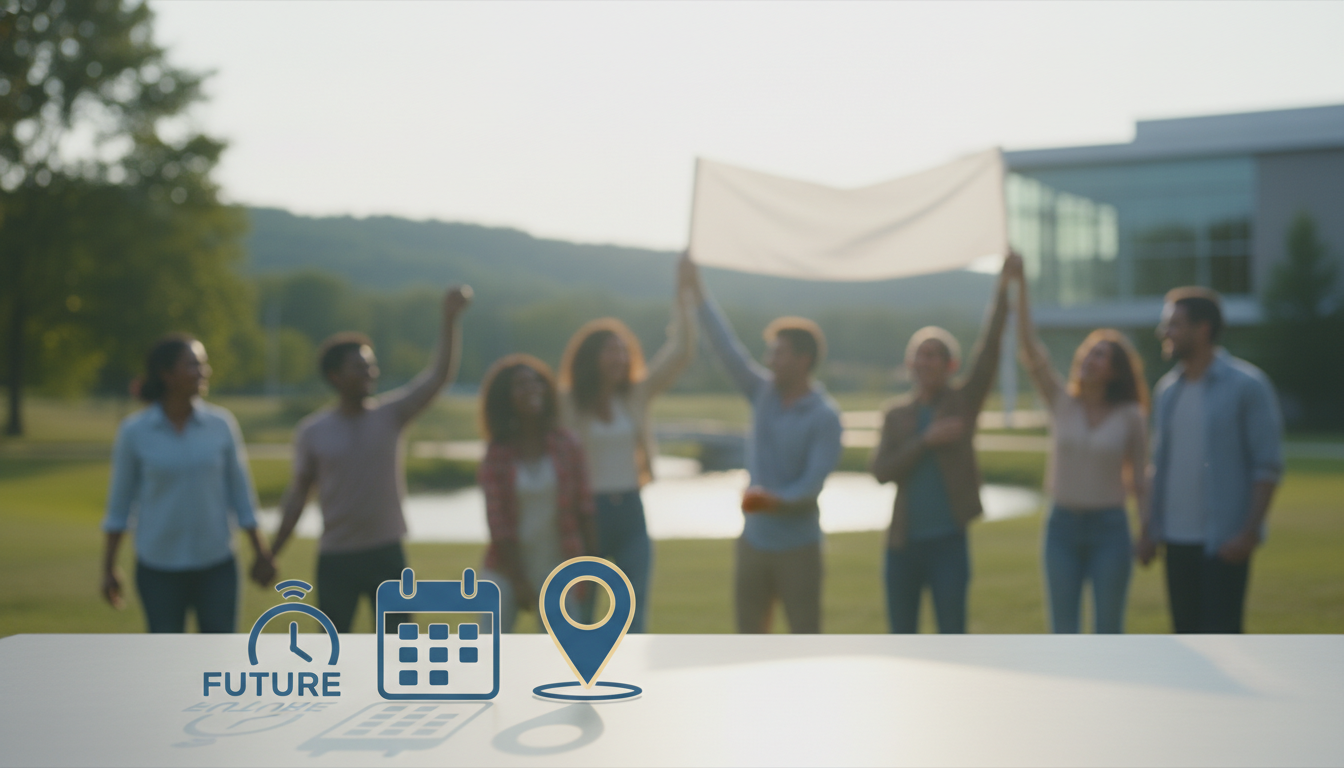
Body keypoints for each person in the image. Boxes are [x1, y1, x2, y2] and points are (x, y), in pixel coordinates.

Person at [269, 286, 471, 634]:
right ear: (335, 376)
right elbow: (298, 495)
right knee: (333, 650)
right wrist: (272, 553)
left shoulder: (391, 415)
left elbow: (438, 377)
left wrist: (449, 320)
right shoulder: (312, 432)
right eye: (359, 367)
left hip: (387, 554)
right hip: (337, 558)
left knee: (397, 649)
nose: (370, 373)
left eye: (371, 366)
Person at [683, 257, 843, 634]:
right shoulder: (763, 393)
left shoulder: (825, 416)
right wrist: (696, 291)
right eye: (769, 353)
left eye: (778, 353)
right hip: (753, 542)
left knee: (804, 638)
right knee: (749, 642)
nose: (769, 361)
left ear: (803, 360)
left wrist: (772, 501)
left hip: (799, 547)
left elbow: (812, 485)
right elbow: (726, 349)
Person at [869, 254, 1016, 634]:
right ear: (910, 364)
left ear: (950, 365)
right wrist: (925, 441)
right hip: (902, 546)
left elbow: (990, 347)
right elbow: (881, 472)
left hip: (949, 543)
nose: (925, 361)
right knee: (903, 640)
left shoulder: (963, 402)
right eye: (920, 355)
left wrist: (1004, 287)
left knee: (953, 638)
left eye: (934, 355)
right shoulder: (895, 414)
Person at [556, 255, 698, 633]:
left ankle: (631, 672)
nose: (619, 357)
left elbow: (680, 353)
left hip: (631, 510)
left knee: (634, 616)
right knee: (581, 615)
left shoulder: (635, 395)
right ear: (591, 358)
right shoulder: (567, 402)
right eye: (610, 350)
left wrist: (684, 294)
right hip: (587, 514)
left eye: (623, 350)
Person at [101, 334, 275, 633]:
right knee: (168, 657)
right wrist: (109, 568)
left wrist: (261, 552)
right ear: (166, 374)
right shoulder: (134, 431)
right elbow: (119, 507)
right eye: (194, 364)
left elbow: (241, 495)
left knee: (219, 655)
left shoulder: (221, 424)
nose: (204, 371)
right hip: (158, 568)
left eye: (203, 364)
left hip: (217, 564)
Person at [1137, 287, 1283, 633]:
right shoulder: (1167, 391)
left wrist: (1248, 533)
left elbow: (1267, 466)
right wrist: (1149, 530)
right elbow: (1160, 466)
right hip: (1176, 541)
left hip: (1224, 543)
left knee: (1224, 639)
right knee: (1185, 641)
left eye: (1173, 324)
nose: (1164, 332)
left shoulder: (1248, 386)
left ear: (1202, 329)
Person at [1017, 275, 1150, 633]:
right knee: (1063, 633)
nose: (1089, 358)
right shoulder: (1062, 401)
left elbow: (1139, 479)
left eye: (1100, 355)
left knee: (1108, 631)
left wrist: (1147, 530)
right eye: (1088, 352)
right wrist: (1020, 285)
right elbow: (1030, 349)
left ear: (1116, 371)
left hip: (1110, 530)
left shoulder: (1131, 416)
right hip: (1061, 528)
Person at [478, 355, 597, 632]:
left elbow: (585, 509)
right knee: (487, 645)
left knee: (559, 652)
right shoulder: (497, 454)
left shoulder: (567, 445)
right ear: (506, 397)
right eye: (521, 385)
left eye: (536, 383)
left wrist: (591, 566)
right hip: (505, 568)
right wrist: (518, 580)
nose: (531, 389)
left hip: (558, 566)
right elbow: (498, 525)